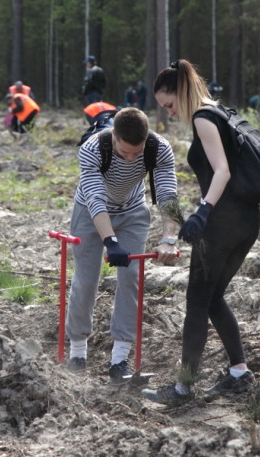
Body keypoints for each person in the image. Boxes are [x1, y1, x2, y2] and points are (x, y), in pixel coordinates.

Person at [142, 59, 259, 405]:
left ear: (180, 93)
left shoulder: (204, 118)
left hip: (222, 226)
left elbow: (221, 171)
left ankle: (183, 389)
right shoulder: (220, 111)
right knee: (213, 298)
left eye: (169, 105)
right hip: (246, 222)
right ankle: (239, 373)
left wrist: (203, 213)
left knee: (196, 302)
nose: (169, 113)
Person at [66, 107, 179, 383]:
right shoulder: (93, 148)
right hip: (89, 212)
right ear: (113, 135)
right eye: (124, 152)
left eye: (136, 153)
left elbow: (167, 193)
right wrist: (110, 241)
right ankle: (78, 350)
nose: (130, 158)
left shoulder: (159, 148)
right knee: (87, 278)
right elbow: (94, 197)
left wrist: (169, 238)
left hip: (133, 211)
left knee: (131, 278)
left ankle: (120, 359)